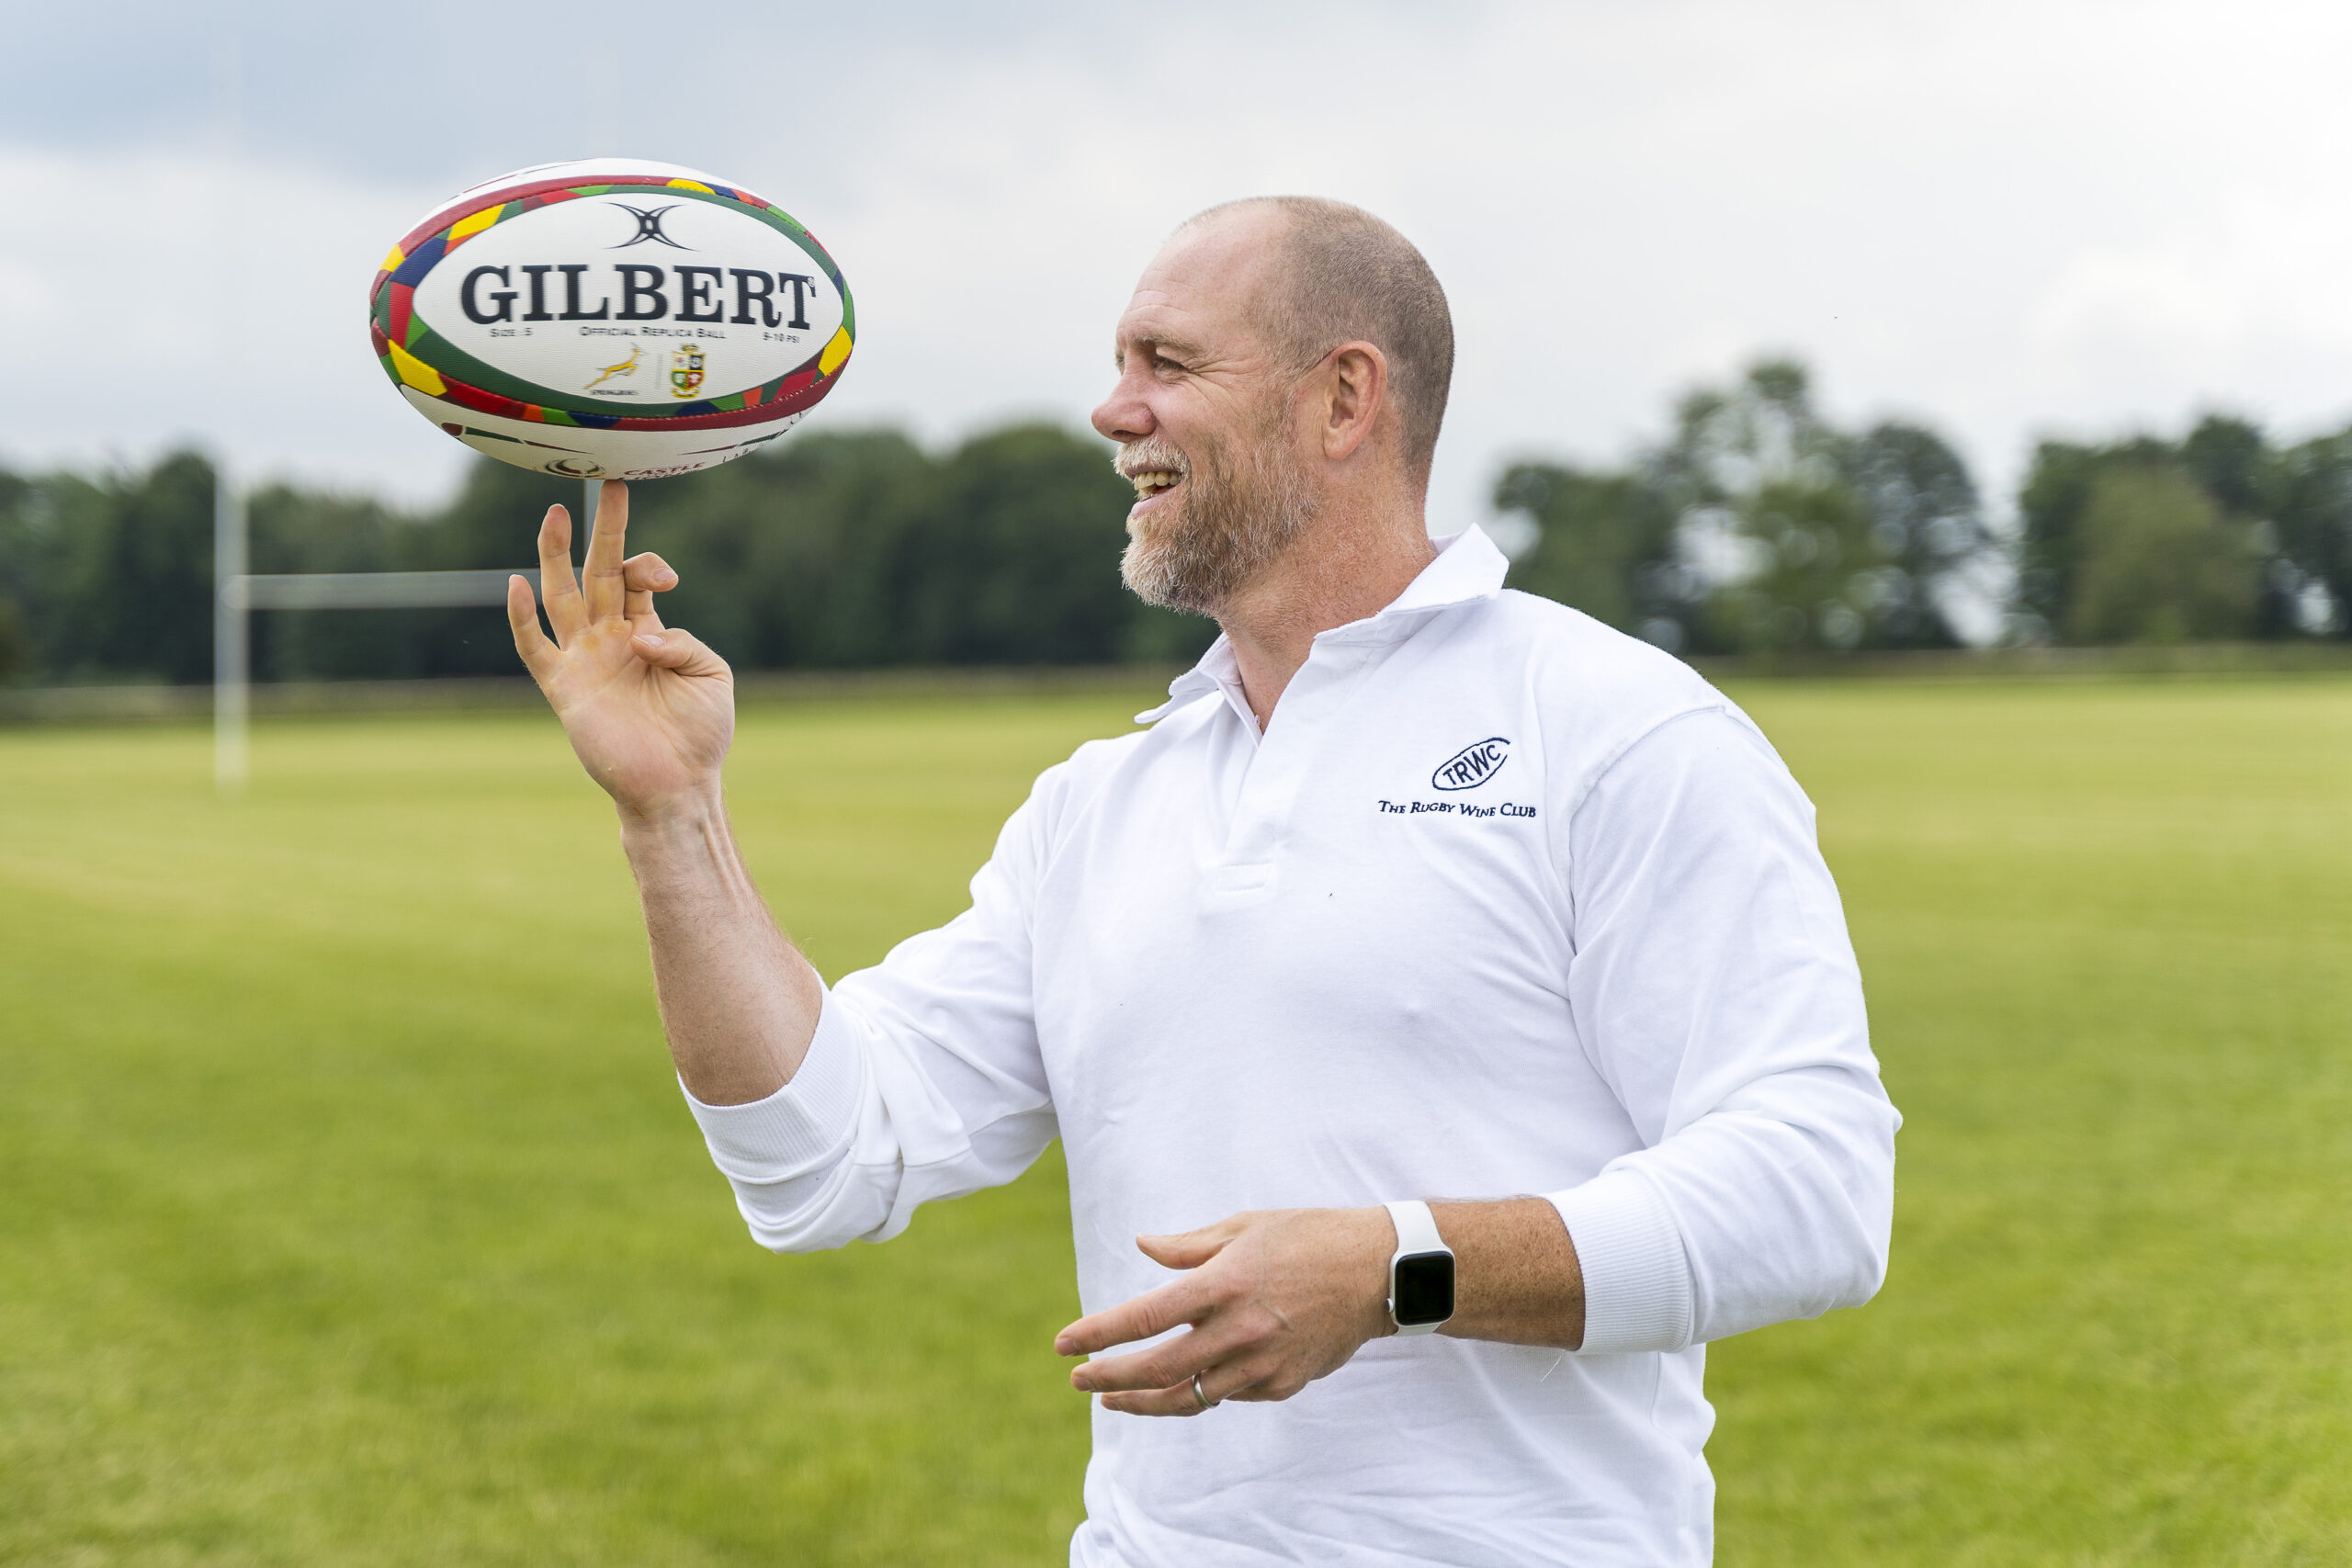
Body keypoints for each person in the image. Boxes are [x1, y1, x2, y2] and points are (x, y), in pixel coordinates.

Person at [506, 196, 1898, 1567]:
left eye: (1167, 365)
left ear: (1344, 398)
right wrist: (673, 818)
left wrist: (1394, 1269)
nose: (1115, 413)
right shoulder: (1101, 807)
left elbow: (1813, 1187)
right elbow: (818, 1162)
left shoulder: (1614, 731)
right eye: (1120, 367)